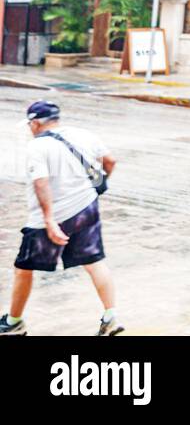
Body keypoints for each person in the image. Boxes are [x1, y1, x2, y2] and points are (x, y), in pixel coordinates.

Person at [0, 101, 122, 336]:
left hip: (52, 215)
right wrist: (97, 185)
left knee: (23, 268)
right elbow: (110, 161)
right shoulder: (83, 134)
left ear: (35, 123)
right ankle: (111, 317)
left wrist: (49, 220)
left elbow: (41, 182)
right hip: (87, 207)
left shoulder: (38, 146)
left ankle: (14, 321)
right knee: (94, 262)